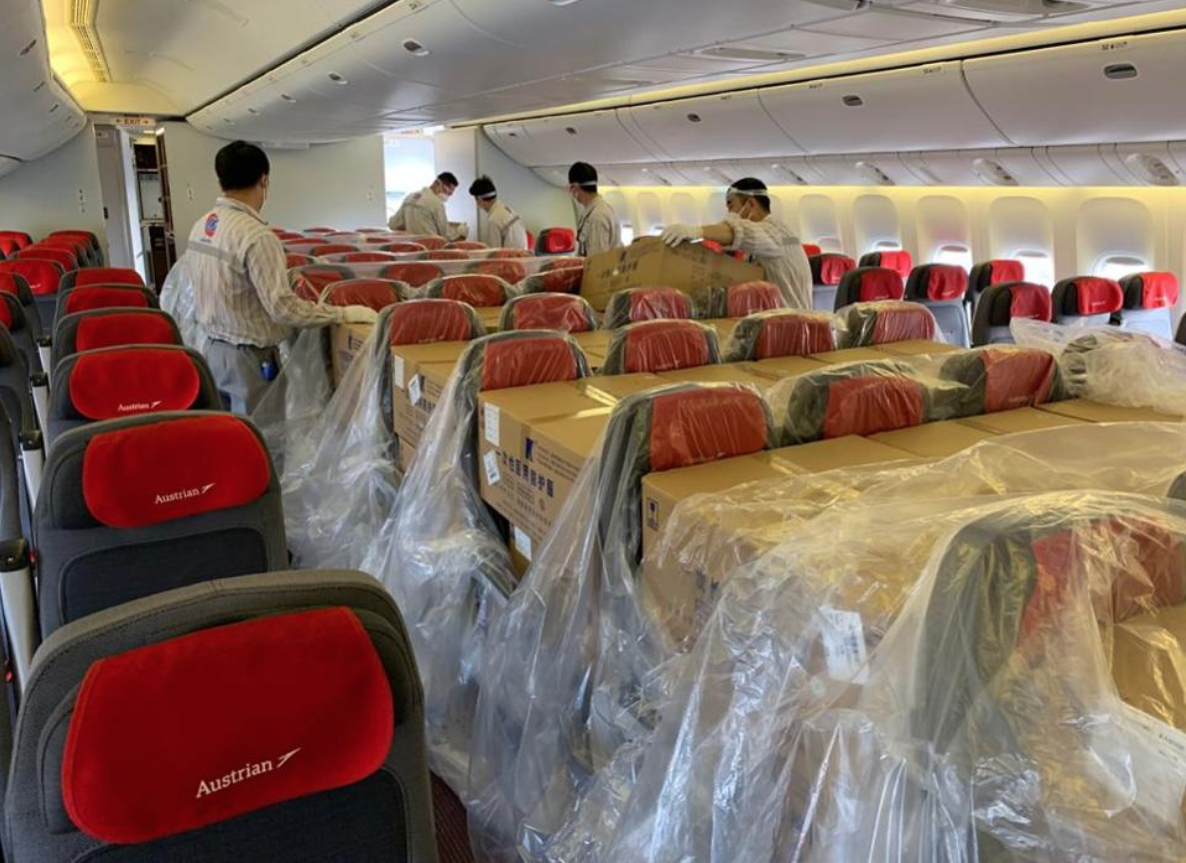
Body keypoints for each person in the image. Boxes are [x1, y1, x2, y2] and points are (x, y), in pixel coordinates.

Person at [186, 140, 378, 415]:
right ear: (264, 180)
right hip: (249, 361)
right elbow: (282, 309)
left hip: (212, 352)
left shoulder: (201, 225)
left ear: (221, 181)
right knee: (264, 445)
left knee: (228, 440)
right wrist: (342, 314)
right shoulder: (256, 236)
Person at [660, 178, 813, 309]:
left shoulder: (776, 232)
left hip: (792, 325)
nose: (730, 213)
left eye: (731, 206)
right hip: (781, 319)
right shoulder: (766, 237)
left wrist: (695, 231)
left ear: (751, 204)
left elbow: (738, 233)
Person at [388, 172, 466, 239]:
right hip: (430, 249)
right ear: (437, 183)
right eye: (448, 192)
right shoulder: (437, 203)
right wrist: (460, 231)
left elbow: (393, 224)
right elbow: (446, 234)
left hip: (412, 249)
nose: (448, 196)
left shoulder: (409, 197)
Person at [568, 162, 622, 258]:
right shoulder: (598, 210)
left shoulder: (597, 217)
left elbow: (596, 261)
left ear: (575, 187)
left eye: (570, 188)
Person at [469, 176, 529, 250]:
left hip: (511, 259)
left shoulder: (494, 220)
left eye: (475, 200)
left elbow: (494, 253)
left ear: (479, 199)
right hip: (523, 257)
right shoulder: (509, 211)